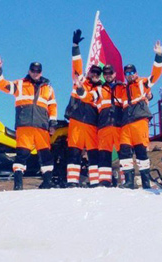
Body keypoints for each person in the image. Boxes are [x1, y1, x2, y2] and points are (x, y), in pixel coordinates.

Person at [0, 55, 57, 190]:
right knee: (21, 155)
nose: (35, 73)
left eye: (37, 71)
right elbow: (2, 84)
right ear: (29, 71)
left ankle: (47, 183)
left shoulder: (48, 88)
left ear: (41, 72)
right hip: (25, 126)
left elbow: (52, 107)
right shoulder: (20, 84)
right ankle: (18, 185)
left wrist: (53, 124)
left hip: (42, 127)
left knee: (46, 156)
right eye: (33, 70)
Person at [119, 41, 162, 189]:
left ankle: (145, 182)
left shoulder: (142, 83)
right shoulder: (122, 89)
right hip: (126, 123)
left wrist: (158, 56)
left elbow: (155, 75)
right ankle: (129, 181)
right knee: (124, 151)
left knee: (140, 151)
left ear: (136, 73)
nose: (130, 75)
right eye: (127, 73)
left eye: (132, 72)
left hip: (139, 121)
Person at [65, 29, 101, 187]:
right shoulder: (79, 79)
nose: (95, 74)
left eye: (98, 73)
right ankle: (72, 182)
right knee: (74, 153)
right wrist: (75, 46)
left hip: (92, 125)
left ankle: (95, 182)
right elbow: (77, 64)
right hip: (76, 122)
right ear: (89, 72)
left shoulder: (100, 89)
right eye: (93, 71)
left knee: (93, 155)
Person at [94, 64, 125, 187]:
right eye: (105, 74)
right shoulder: (99, 89)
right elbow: (87, 97)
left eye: (110, 73)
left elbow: (133, 97)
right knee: (103, 155)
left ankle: (126, 180)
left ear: (115, 74)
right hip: (104, 127)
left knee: (123, 154)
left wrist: (149, 96)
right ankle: (104, 181)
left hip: (119, 126)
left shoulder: (122, 88)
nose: (108, 75)